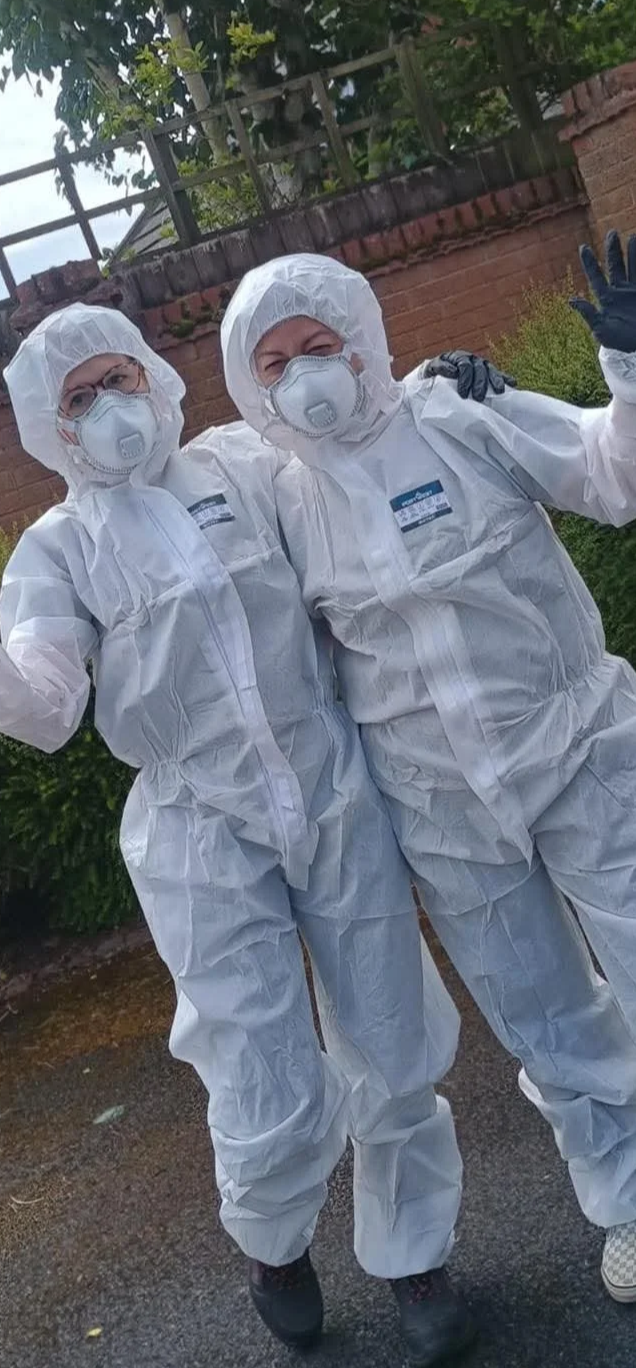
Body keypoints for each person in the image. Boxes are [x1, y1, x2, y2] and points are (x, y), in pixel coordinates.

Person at [0, 304, 504, 1367]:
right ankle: (276, 1245)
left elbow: (347, 456)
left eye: (117, 380)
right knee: (256, 1060)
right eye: (79, 400)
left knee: (389, 1027)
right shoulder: (59, 551)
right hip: (198, 825)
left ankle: (415, 1255)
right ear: (51, 428)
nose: (108, 411)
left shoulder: (241, 466)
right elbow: (44, 706)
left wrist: (430, 392)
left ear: (154, 376)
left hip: (328, 786)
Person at [219, 230, 636, 1306]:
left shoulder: (457, 414)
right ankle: (629, 1203)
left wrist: (629, 371)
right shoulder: (278, 504)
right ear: (251, 385)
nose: (305, 375)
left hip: (579, 744)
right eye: (277, 364)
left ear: (361, 340)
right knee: (546, 1015)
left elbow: (609, 473)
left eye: (321, 345)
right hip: (442, 808)